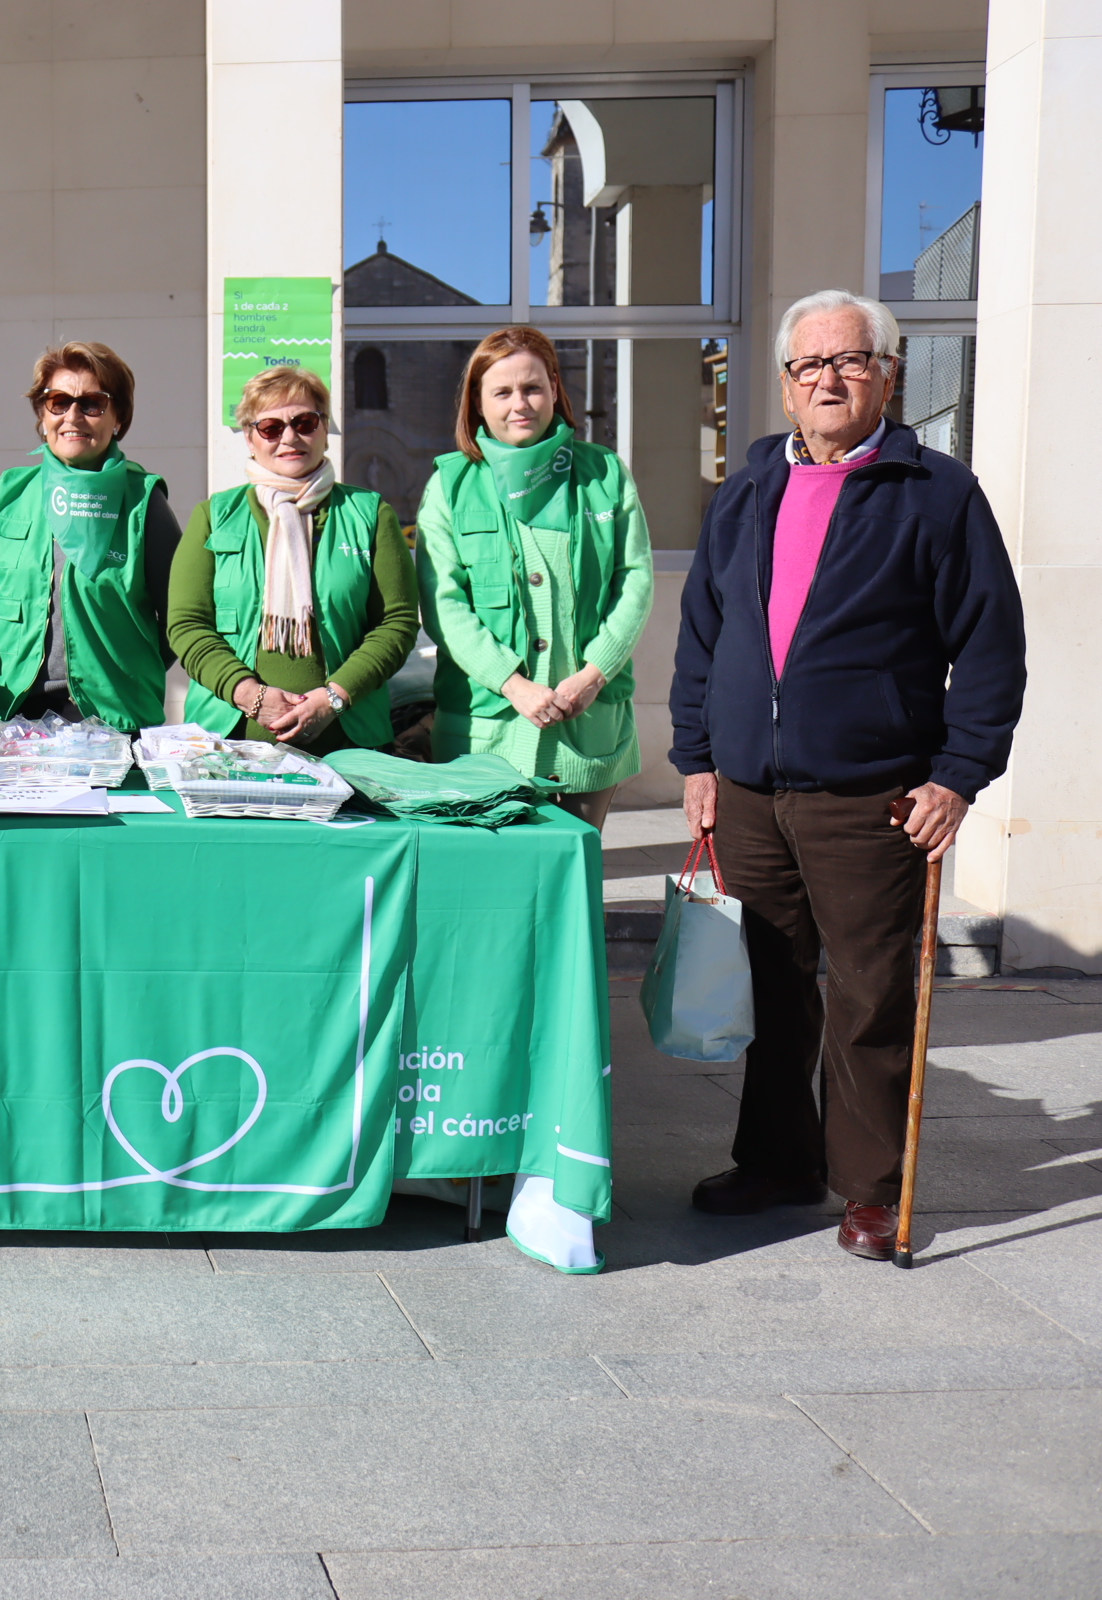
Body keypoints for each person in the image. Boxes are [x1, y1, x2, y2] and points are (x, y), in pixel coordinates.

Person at [672, 288, 1026, 1261]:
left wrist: (957, 774)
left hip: (872, 793)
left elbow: (990, 646)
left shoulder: (936, 493)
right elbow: (705, 634)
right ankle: (780, 1160)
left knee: (870, 995)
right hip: (749, 792)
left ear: (888, 373)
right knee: (770, 987)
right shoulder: (748, 489)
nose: (828, 379)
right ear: (785, 385)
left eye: (850, 360)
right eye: (809, 366)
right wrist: (696, 758)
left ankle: (870, 1187)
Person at [414, 326, 656, 828]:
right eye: (501, 392)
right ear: (477, 404)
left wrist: (594, 675)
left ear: (554, 391)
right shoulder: (450, 486)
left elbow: (634, 581)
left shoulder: (603, 474)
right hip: (485, 732)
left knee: (575, 880)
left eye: (532, 388)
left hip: (588, 728)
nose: (519, 404)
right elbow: (444, 606)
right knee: (490, 890)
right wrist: (513, 684)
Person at [167, 365, 418, 752]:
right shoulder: (214, 516)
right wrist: (248, 693)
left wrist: (333, 697)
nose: (289, 437)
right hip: (226, 744)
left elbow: (396, 624)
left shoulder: (371, 514)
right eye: (270, 427)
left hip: (350, 746)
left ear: (324, 431)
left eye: (304, 422)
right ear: (250, 438)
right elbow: (187, 625)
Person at [0, 341, 180, 733]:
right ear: (43, 413)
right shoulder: (12, 493)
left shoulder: (143, 501)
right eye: (58, 401)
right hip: (17, 718)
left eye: (92, 403)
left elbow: (179, 619)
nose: (73, 415)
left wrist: (123, 668)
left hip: (112, 719)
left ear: (118, 418)